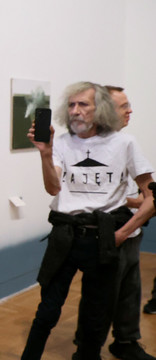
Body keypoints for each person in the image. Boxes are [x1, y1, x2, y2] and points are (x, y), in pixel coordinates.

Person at [21, 81, 155, 360]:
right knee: (46, 310)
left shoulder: (124, 143)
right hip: (66, 235)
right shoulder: (61, 142)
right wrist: (45, 153)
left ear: (100, 109)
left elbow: (151, 195)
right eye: (71, 105)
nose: (75, 111)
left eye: (83, 104)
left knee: (97, 313)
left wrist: (123, 233)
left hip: (104, 237)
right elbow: (53, 188)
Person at [82, 85, 154, 360]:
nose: (130, 110)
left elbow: (134, 194)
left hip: (128, 231)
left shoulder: (125, 143)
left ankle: (125, 341)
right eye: (123, 106)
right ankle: (86, 348)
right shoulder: (85, 147)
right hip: (106, 233)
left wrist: (131, 210)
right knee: (99, 297)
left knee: (129, 291)